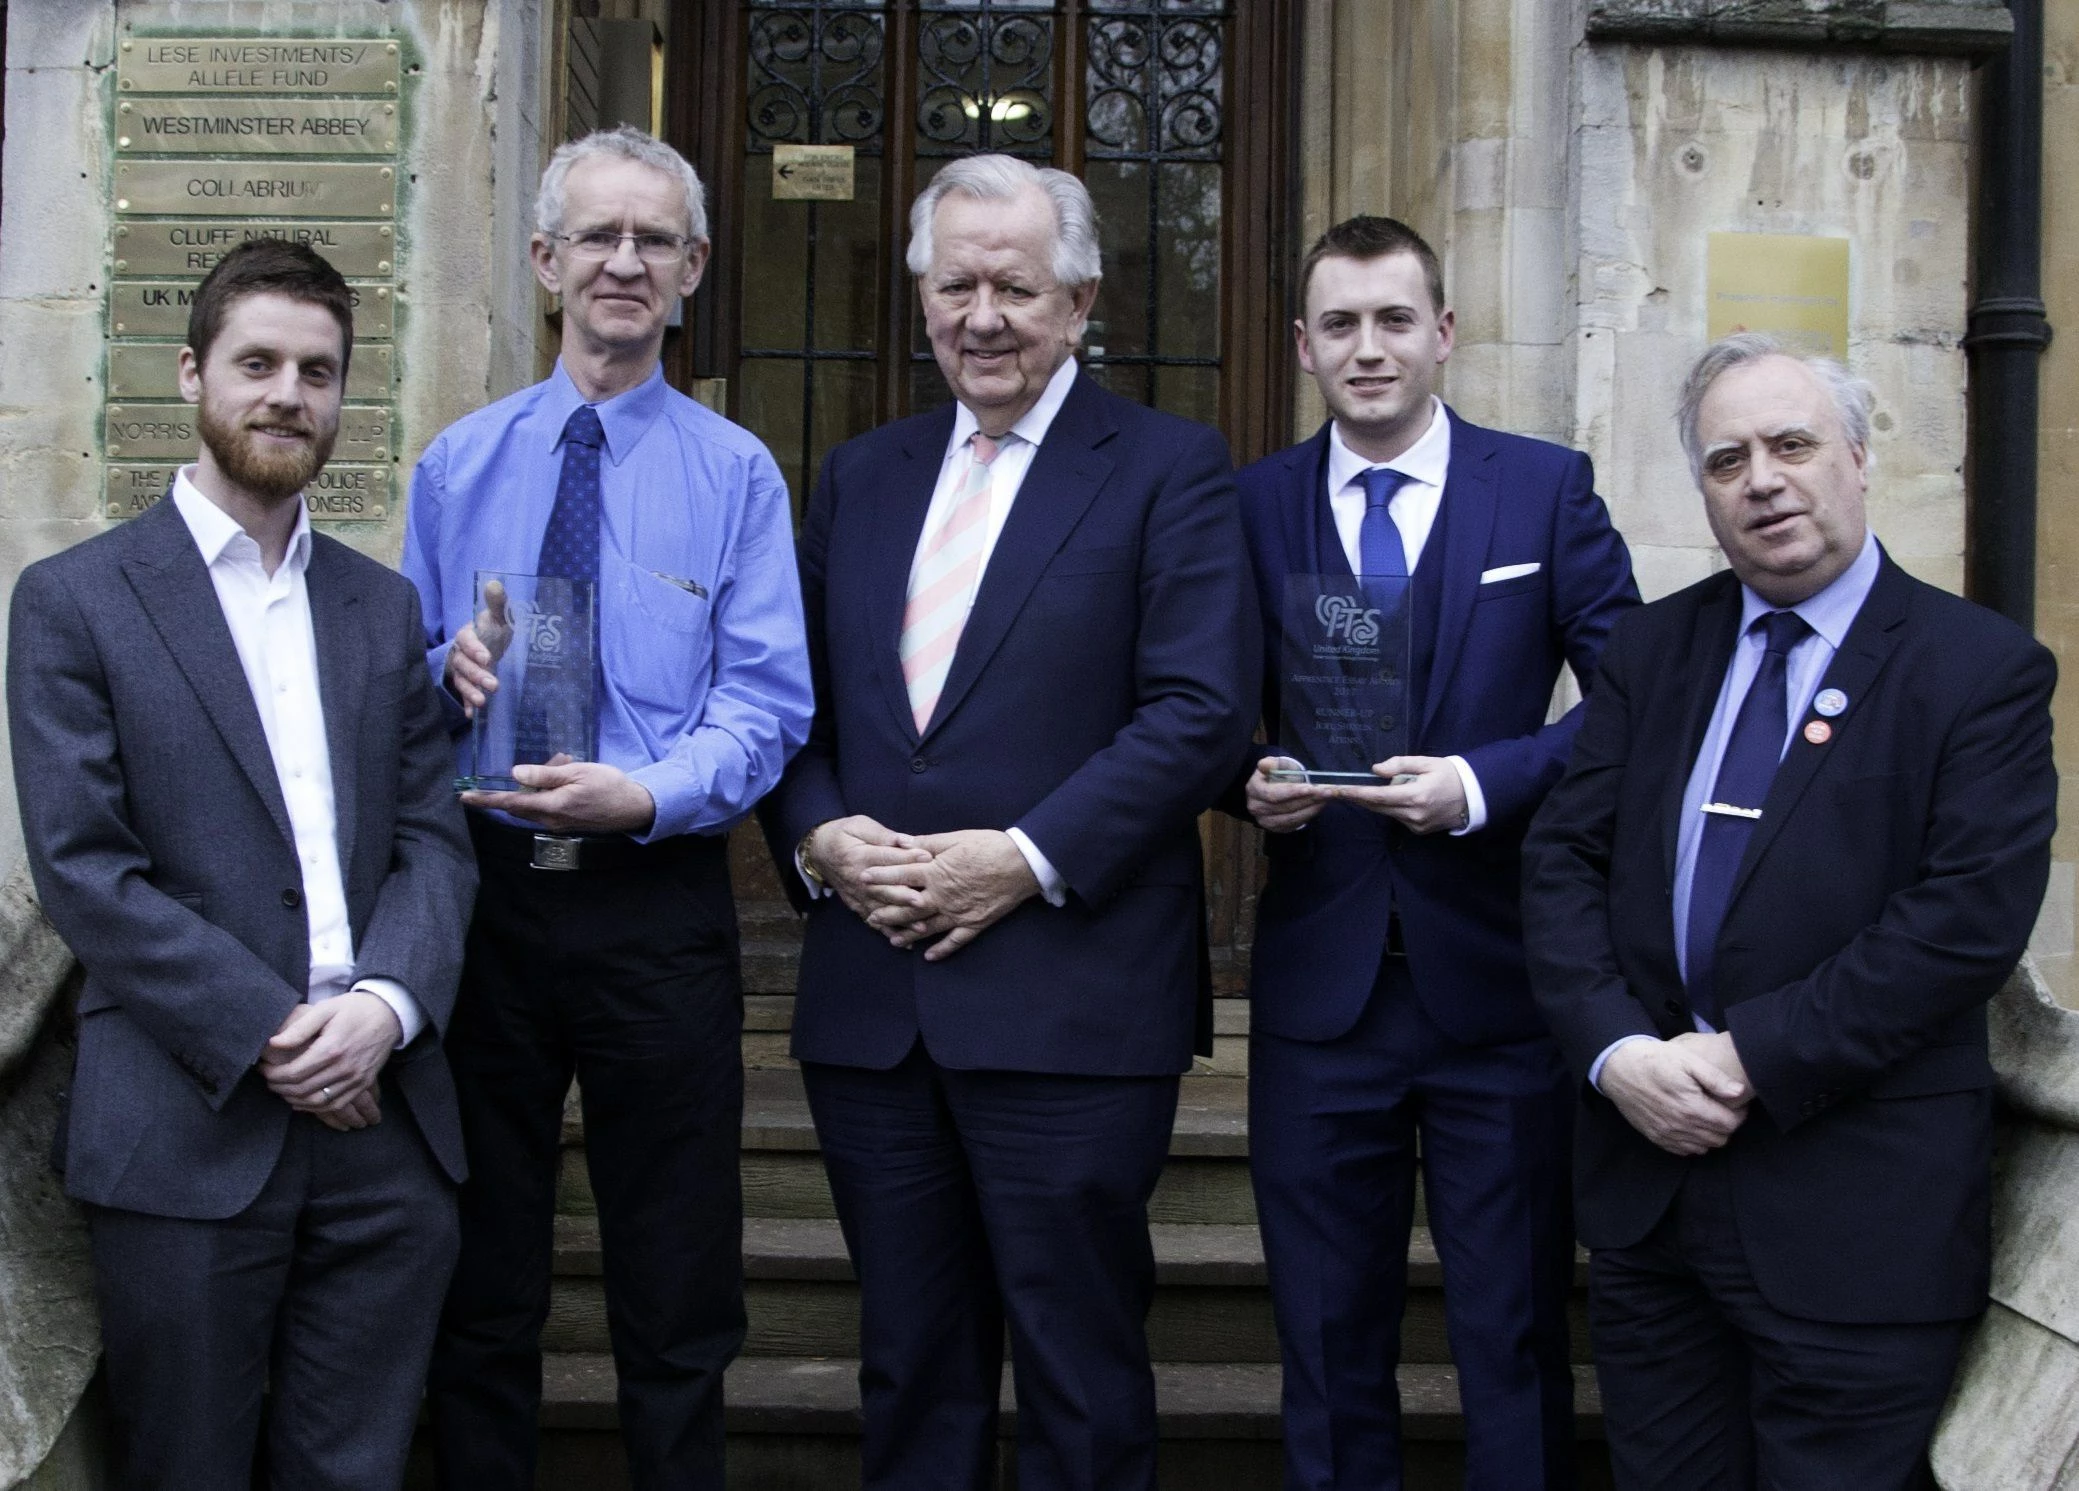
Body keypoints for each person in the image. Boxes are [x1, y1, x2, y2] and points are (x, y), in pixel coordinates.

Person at [759, 152, 1260, 1491]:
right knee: (907, 1365)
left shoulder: (1168, 466)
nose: (981, 313)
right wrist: (815, 835)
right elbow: (786, 708)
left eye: (1014, 286)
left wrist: (1023, 858)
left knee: (1077, 1369)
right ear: (921, 294)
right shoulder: (860, 476)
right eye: (955, 282)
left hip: (1070, 1008)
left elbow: (1198, 710)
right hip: (874, 1002)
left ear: (1079, 299)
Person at [1522, 333, 2058, 1490]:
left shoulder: (1981, 670)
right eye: (1727, 460)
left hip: (1856, 1224)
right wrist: (1618, 1054)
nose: (1761, 478)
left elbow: (1962, 924)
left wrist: (1745, 1059)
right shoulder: (1653, 651)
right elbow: (1563, 864)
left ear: (1857, 460)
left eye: (1792, 444)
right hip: (1650, 1200)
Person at [7, 239, 476, 1488]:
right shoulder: (76, 601)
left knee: (351, 1473)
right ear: (192, 374)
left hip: (384, 1130)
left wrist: (380, 1008)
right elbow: (83, 868)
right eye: (257, 362)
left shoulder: (380, 610)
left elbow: (434, 839)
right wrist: (279, 1031)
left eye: (317, 372)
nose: (287, 394)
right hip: (186, 1125)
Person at [403, 125, 812, 1490]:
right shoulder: (456, 465)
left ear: (691, 269)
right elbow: (394, 674)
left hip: (656, 907)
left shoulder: (737, 473)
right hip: (486, 902)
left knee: (676, 1270)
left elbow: (766, 704)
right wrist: (443, 670)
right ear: (544, 262)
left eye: (652, 240)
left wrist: (644, 792)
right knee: (483, 1262)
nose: (622, 262)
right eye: (597, 236)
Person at [1232, 214, 1638, 1490]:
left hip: (1502, 988)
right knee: (1327, 1338)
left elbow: (1639, 703)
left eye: (1394, 320)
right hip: (1319, 992)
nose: (1369, 348)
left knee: (1511, 1337)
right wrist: (1240, 784)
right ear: (1303, 347)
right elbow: (1186, 704)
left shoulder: (1544, 489)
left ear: (1444, 334)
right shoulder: (1246, 507)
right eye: (1341, 325)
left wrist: (1481, 780)